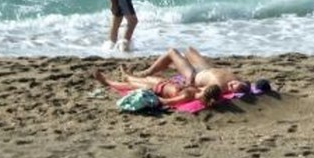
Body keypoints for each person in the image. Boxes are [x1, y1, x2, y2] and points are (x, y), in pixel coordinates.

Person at [134, 46, 251, 96]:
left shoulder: (220, 88)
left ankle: (148, 72)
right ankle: (173, 65)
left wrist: (188, 83)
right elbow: (249, 86)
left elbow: (199, 90)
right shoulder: (241, 81)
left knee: (172, 52)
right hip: (207, 68)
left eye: (231, 88)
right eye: (234, 84)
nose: (230, 84)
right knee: (189, 49)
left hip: (194, 75)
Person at [92, 68, 222, 107]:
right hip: (164, 83)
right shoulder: (198, 91)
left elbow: (166, 102)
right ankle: (126, 74)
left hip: (157, 89)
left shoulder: (188, 96)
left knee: (131, 84)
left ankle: (106, 82)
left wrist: (152, 98)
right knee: (143, 78)